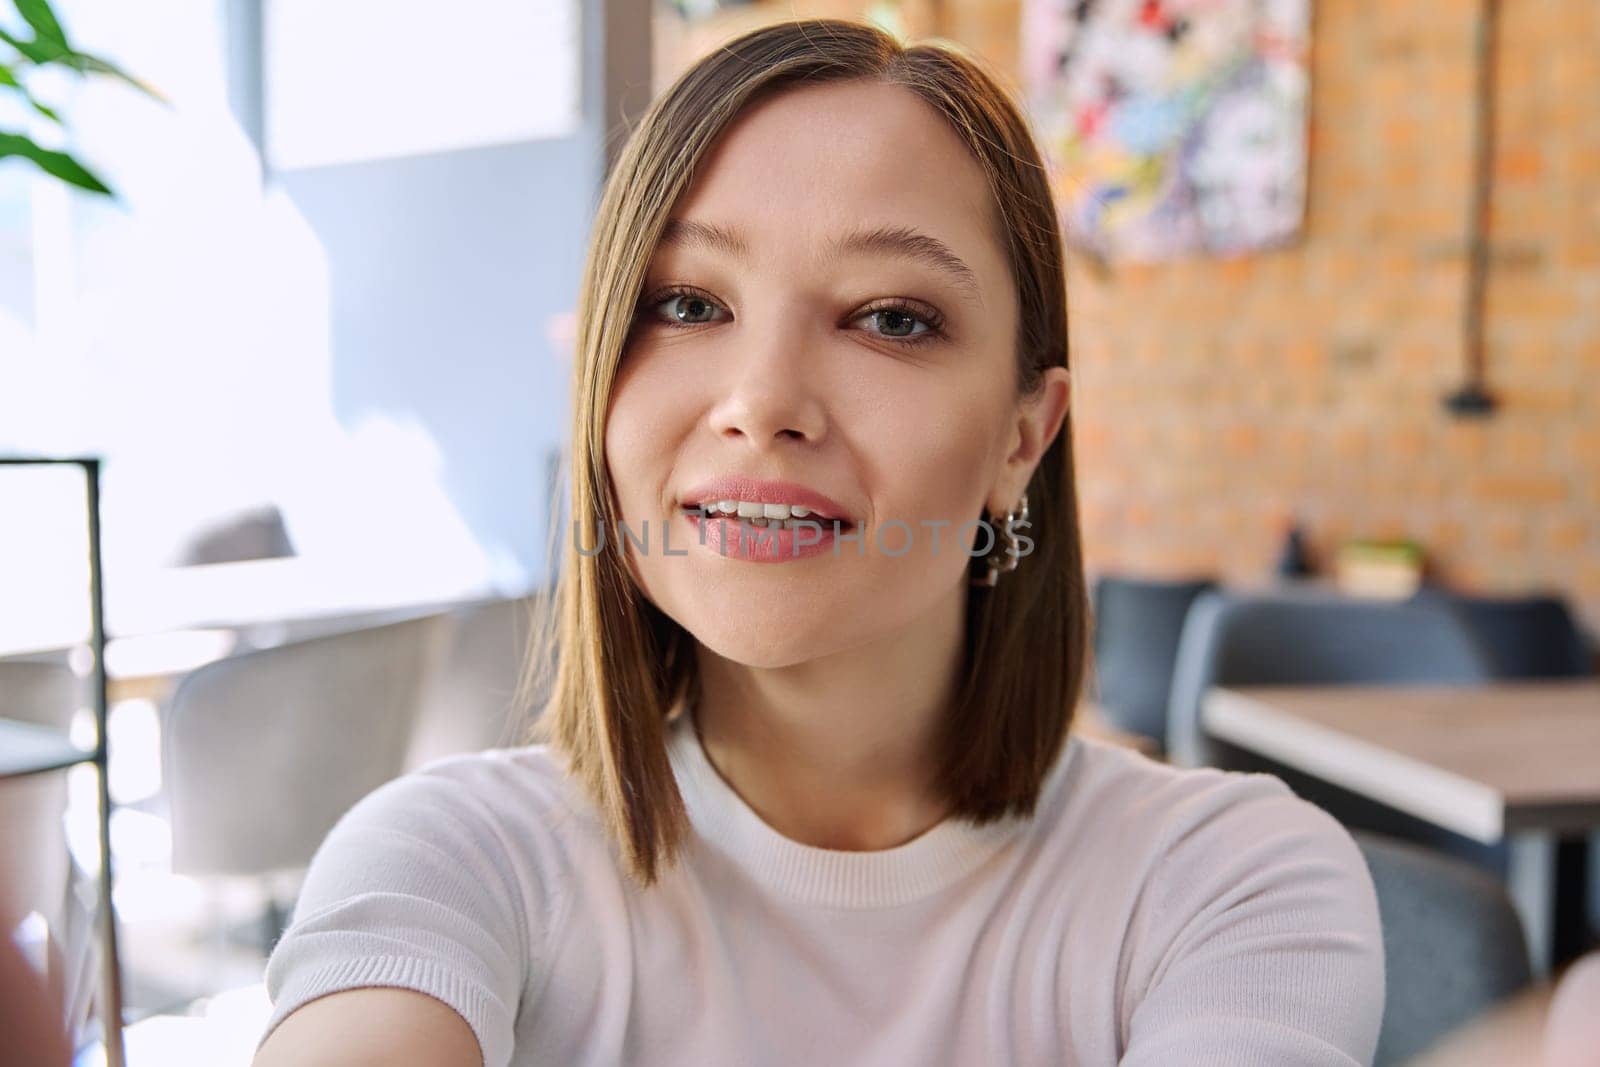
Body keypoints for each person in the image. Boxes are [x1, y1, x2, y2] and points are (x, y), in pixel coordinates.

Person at [253, 18, 1384, 1066]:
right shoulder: (453, 859)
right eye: (689, 302)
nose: (762, 400)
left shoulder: (1224, 881)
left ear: (1020, 438)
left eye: (891, 318)